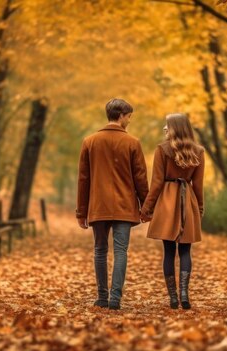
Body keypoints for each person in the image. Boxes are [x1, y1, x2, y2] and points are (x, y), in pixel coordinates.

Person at [76, 98, 149, 310]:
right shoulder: (133, 143)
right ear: (121, 116)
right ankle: (115, 299)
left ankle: (101, 297)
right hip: (125, 206)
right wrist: (146, 207)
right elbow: (140, 179)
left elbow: (83, 179)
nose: (129, 121)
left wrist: (81, 212)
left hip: (98, 205)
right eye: (128, 117)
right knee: (120, 251)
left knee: (99, 250)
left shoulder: (90, 142)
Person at [140, 113, 205, 310]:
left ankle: (173, 298)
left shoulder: (162, 149)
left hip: (167, 201)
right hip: (188, 202)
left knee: (169, 251)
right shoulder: (199, 151)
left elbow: (157, 183)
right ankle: (185, 294)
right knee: (185, 250)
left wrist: (146, 208)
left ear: (175, 127)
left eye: (167, 125)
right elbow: (198, 185)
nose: (164, 129)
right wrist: (199, 208)